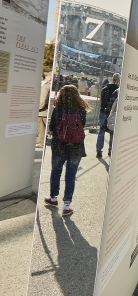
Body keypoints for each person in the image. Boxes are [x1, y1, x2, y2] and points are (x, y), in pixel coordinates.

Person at [44, 85, 90, 216]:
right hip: (76, 146)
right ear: (77, 96)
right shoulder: (81, 110)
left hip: (59, 145)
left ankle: (53, 198)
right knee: (70, 176)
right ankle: (66, 206)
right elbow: (82, 126)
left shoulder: (57, 109)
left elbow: (52, 127)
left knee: (56, 172)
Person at [96, 73, 120, 158]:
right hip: (112, 114)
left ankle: (99, 151)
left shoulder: (104, 89)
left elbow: (102, 102)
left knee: (101, 132)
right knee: (112, 133)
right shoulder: (118, 91)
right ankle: (110, 151)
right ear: (118, 80)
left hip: (103, 112)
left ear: (112, 79)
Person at [37, 72, 51, 147]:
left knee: (42, 127)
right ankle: (40, 141)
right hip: (43, 110)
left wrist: (38, 108)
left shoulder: (46, 86)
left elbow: (43, 99)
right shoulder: (46, 85)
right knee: (42, 127)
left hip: (42, 110)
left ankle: (41, 142)